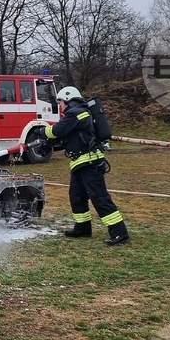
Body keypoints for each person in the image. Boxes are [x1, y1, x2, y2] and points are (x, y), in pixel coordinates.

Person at [38, 86, 130, 245]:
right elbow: (64, 137)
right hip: (80, 163)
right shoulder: (76, 115)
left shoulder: (76, 113)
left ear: (67, 100)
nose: (60, 106)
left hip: (89, 163)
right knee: (77, 196)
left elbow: (56, 130)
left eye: (60, 102)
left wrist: (41, 132)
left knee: (99, 197)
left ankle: (119, 232)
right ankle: (82, 228)